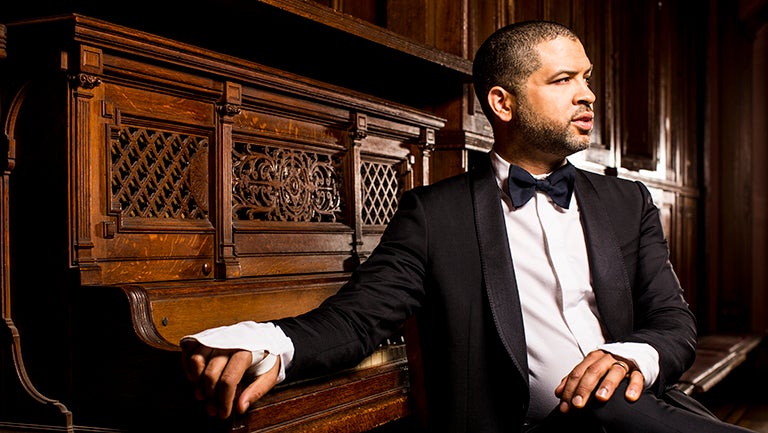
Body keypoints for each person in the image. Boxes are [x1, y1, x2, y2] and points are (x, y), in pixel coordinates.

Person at [181, 20, 756, 433]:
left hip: (639, 408)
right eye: (562, 81)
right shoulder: (435, 215)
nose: (587, 95)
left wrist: (634, 356)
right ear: (503, 104)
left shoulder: (627, 201)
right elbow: (359, 317)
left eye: (585, 79)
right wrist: (271, 343)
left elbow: (674, 324)